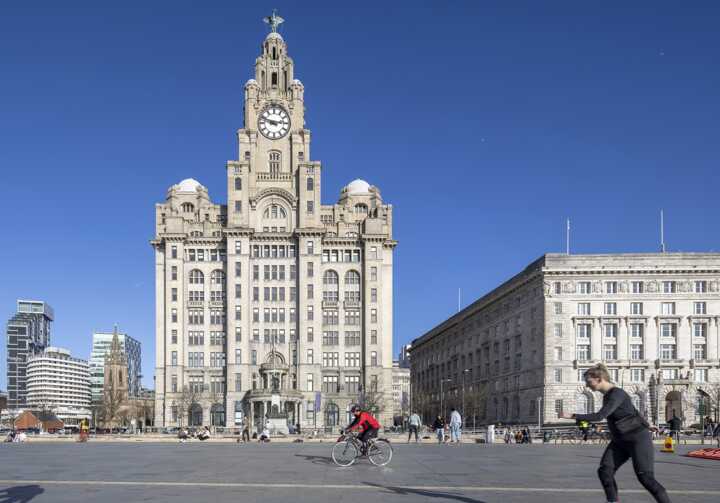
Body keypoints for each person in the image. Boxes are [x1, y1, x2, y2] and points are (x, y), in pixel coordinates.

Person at [559, 363, 672, 503]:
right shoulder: (608, 396)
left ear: (599, 379)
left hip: (637, 439)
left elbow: (600, 416)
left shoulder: (617, 394)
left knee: (646, 478)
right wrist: (648, 424)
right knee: (604, 471)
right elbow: (633, 410)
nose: (587, 386)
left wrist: (572, 415)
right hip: (620, 441)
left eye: (589, 382)